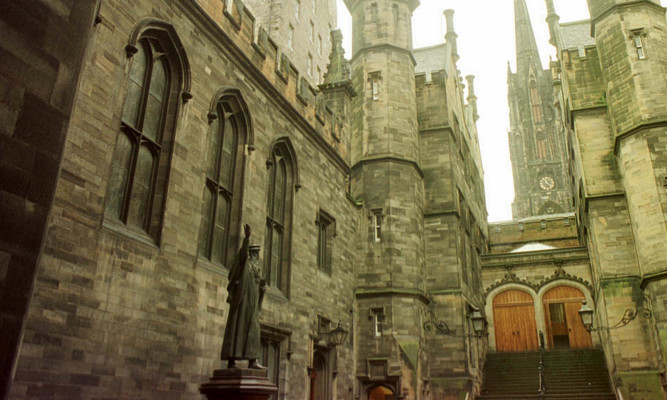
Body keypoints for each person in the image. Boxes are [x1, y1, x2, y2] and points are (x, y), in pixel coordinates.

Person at [221, 224, 267, 369]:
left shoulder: (257, 269)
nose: (257, 257)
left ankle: (253, 360)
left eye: (257, 255)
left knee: (254, 328)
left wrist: (262, 290)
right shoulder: (245, 263)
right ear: (252, 254)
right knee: (238, 327)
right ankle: (232, 359)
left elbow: (258, 286)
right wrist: (247, 238)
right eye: (256, 254)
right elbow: (242, 256)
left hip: (252, 303)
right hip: (242, 302)